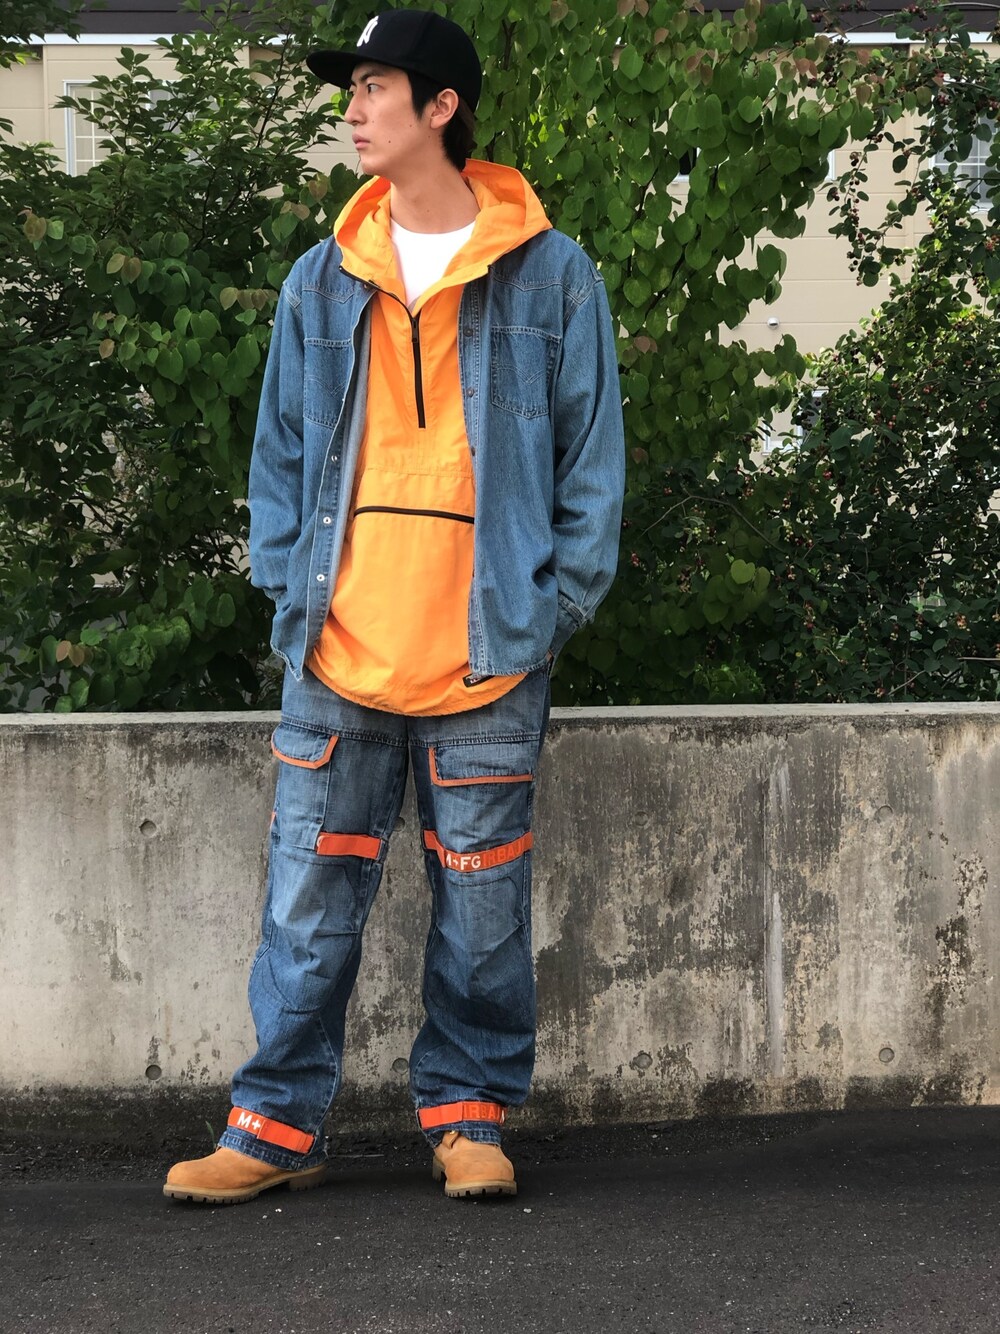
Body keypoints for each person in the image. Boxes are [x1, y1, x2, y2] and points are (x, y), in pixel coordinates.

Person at [164, 7, 624, 1207]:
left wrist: (550, 612)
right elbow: (278, 457)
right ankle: (271, 1126)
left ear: (442, 107)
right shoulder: (321, 280)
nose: (353, 109)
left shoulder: (551, 274)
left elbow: (590, 468)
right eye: (353, 88)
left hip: (487, 651)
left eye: (375, 86)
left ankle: (467, 1116)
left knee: (483, 909)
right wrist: (290, 591)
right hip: (338, 649)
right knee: (305, 902)